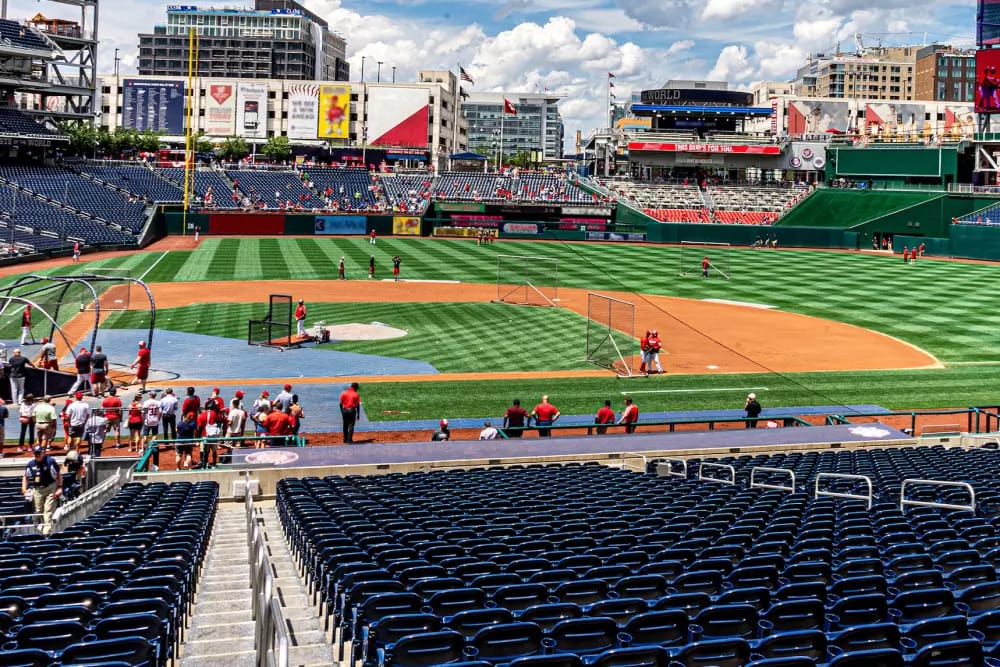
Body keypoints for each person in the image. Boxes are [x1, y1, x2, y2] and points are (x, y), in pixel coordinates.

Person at [22, 445, 61, 535]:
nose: (37, 455)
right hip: (38, 489)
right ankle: (41, 528)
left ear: (43, 453)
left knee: (48, 510)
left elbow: (58, 474)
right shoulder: (31, 464)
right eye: (36, 454)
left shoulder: (50, 462)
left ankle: (46, 532)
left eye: (39, 453)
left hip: (50, 487)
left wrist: (59, 487)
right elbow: (26, 476)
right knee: (39, 511)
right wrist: (24, 489)